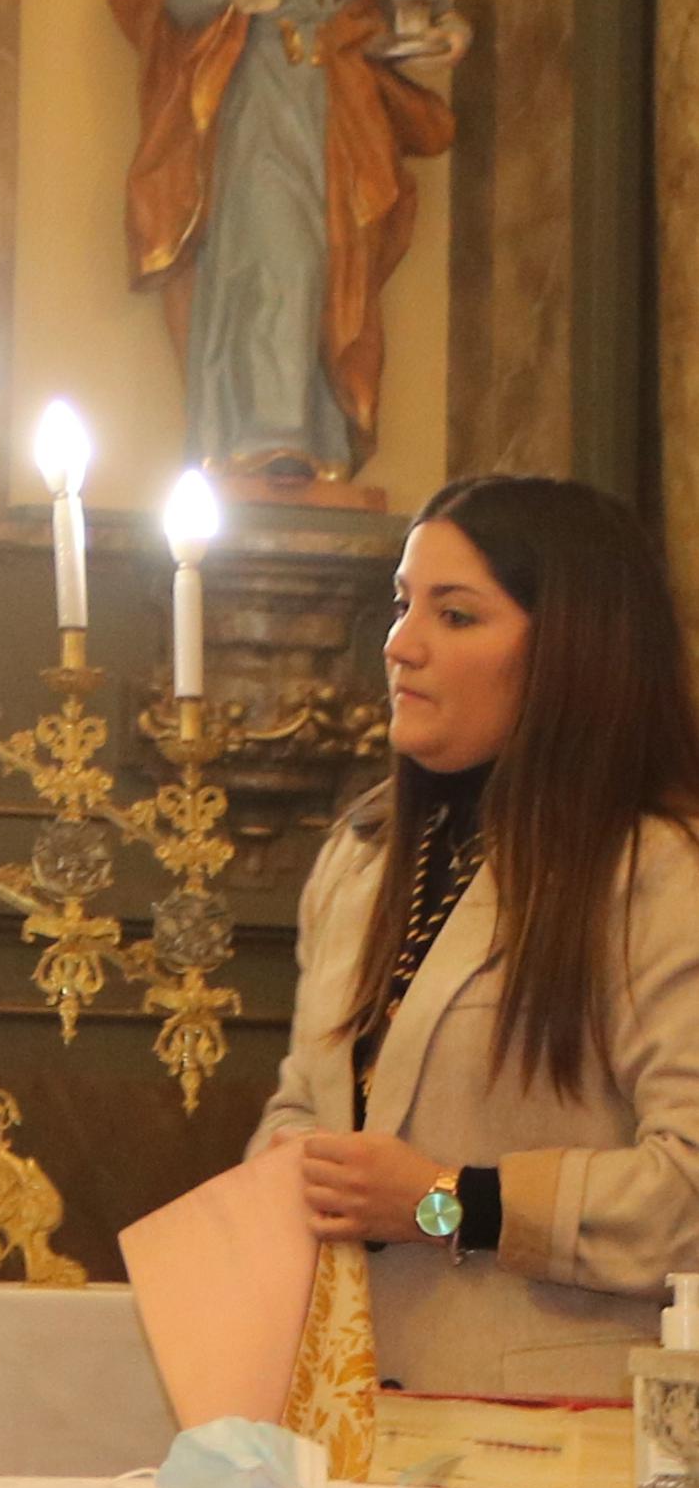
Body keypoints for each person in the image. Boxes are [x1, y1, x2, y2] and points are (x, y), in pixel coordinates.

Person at [255, 476, 699, 1394]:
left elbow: (685, 1194)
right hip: (348, 1414)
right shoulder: (362, 856)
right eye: (401, 602)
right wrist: (293, 1171)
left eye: (454, 616)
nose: (398, 644)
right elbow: (303, 1100)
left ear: (571, 651)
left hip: (560, 1430)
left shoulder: (654, 871)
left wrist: (442, 1200)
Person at [107, 0, 462, 490]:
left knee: (334, 267)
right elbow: (179, 2)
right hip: (257, 103)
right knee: (275, 259)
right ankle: (260, 437)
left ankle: (316, 435)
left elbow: (386, 1)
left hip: (332, 110)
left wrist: (439, 30)